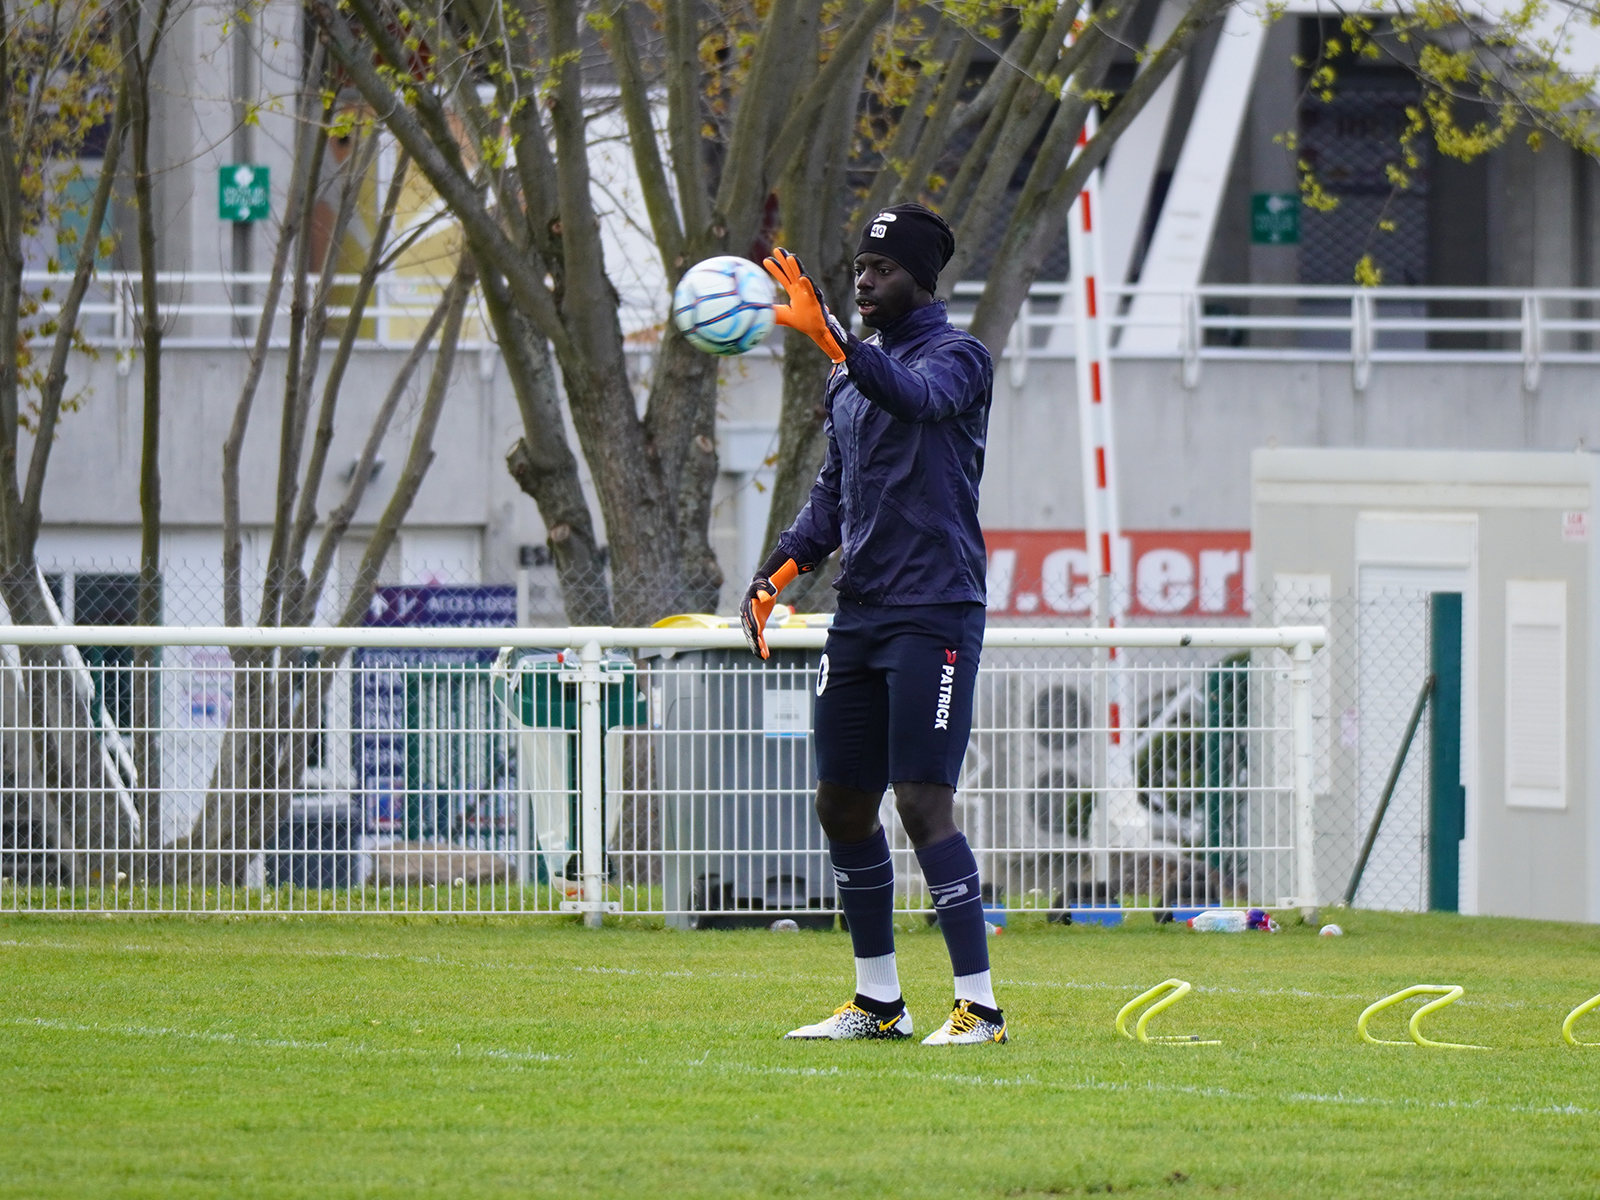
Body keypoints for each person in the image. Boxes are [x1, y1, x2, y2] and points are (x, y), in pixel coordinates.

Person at [741, 204, 1004, 1045]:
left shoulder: (959, 358)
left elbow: (919, 401)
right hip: (860, 614)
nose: (862, 280)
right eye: (858, 266)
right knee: (842, 807)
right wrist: (778, 571)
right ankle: (880, 1004)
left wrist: (836, 345)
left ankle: (981, 1010)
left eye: (882, 269)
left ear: (921, 279)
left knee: (923, 801)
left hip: (937, 611)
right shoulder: (847, 372)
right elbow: (835, 489)